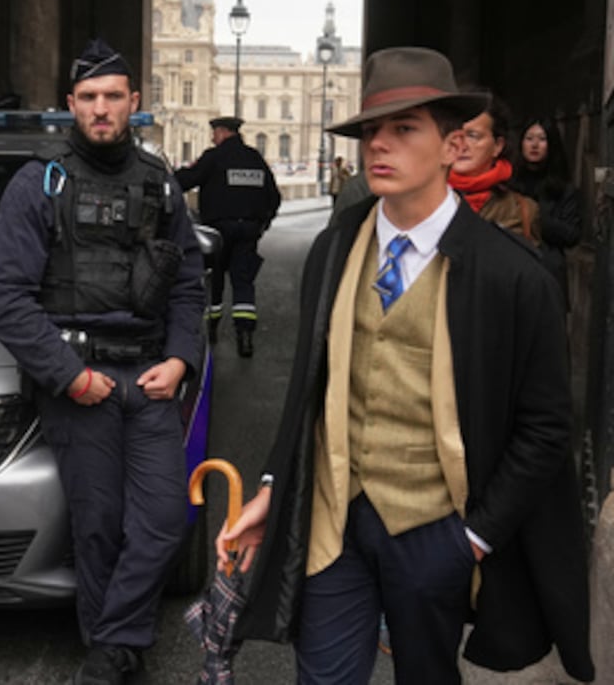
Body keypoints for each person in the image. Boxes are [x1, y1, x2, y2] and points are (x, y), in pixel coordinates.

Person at [218, 47, 594, 684]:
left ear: (452, 146)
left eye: (404, 128)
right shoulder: (335, 248)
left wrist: (473, 539)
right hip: (335, 520)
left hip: (433, 530)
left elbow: (546, 428)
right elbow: (310, 388)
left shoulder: (513, 276)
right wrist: (275, 486)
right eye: (371, 130)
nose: (379, 145)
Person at [0, 38, 205, 685]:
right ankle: (115, 651)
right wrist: (70, 376)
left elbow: (189, 284)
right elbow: (7, 301)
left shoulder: (161, 183)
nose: (101, 108)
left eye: (113, 96)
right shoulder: (38, 183)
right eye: (88, 97)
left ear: (134, 102)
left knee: (165, 520)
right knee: (100, 526)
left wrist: (180, 359)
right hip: (81, 382)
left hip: (150, 378)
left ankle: (112, 640)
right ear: (70, 104)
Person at [174, 115, 281, 357]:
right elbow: (273, 197)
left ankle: (211, 330)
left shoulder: (214, 157)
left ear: (222, 132)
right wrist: (262, 223)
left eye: (214, 133)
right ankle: (245, 336)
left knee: (215, 279)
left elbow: (187, 180)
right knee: (243, 281)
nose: (213, 138)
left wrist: (165, 179)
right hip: (249, 229)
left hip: (218, 230)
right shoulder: (255, 158)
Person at [448, 94, 542, 246]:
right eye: (455, 135)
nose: (462, 145)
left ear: (497, 146)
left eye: (473, 136)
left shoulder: (522, 210)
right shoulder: (423, 202)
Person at [510, 116, 582, 305]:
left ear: (551, 144)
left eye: (542, 139)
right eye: (529, 138)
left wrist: (536, 217)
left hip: (548, 271)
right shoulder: (508, 184)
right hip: (511, 270)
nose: (535, 145)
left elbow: (572, 234)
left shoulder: (563, 188)